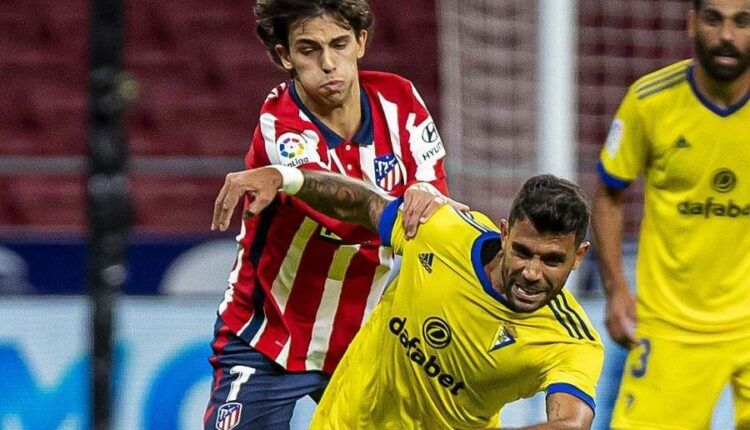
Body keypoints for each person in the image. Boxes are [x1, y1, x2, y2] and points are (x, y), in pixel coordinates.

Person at [202, 0, 465, 428]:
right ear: (284, 55)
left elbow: (431, 211)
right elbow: (345, 213)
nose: (328, 63)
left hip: (364, 343)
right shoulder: (280, 125)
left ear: (361, 42)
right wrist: (409, 201)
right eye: (309, 50)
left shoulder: (401, 101)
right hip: (268, 337)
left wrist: (427, 196)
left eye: (339, 44)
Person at [212, 166, 604, 429]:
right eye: (523, 252)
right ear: (504, 233)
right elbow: (366, 203)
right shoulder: (442, 233)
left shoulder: (571, 342)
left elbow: (570, 423)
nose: (533, 273)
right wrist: (286, 177)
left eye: (553, 260)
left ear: (579, 256)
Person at [592, 0, 750, 428]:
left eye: (743, 21)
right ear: (692, 22)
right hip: (671, 325)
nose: (727, 37)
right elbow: (607, 193)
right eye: (714, 19)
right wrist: (616, 289)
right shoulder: (650, 101)